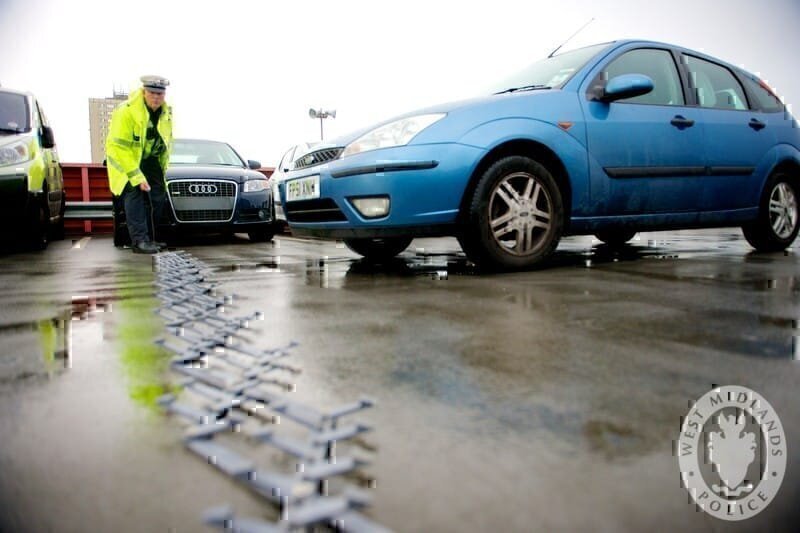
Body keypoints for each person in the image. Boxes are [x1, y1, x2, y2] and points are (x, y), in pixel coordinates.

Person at [106, 75, 173, 254]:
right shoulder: (126, 111)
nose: (156, 97)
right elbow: (119, 147)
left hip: (148, 158)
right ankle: (139, 241)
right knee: (134, 194)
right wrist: (136, 176)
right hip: (124, 160)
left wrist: (159, 168)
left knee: (158, 195)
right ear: (143, 92)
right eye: (152, 92)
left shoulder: (166, 112)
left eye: (160, 93)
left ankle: (151, 238)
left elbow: (164, 140)